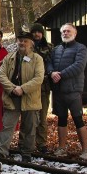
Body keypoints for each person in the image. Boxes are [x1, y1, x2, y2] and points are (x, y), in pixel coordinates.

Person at [0, 31, 44, 162]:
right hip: (11, 96)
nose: (22, 43)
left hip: (30, 98)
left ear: (31, 44)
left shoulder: (37, 59)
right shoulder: (9, 58)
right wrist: (12, 89)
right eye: (20, 40)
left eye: (25, 41)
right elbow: (1, 75)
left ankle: (26, 152)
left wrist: (22, 89)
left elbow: (39, 78)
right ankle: (2, 151)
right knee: (7, 125)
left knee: (29, 126)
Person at [47, 23, 87, 160]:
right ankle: (61, 148)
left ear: (75, 33)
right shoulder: (56, 49)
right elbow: (49, 62)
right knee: (61, 119)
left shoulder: (81, 48)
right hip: (58, 91)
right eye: (63, 31)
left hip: (73, 90)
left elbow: (79, 66)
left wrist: (60, 75)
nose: (65, 33)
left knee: (78, 119)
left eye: (68, 31)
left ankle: (85, 150)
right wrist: (51, 72)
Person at [30, 23, 54, 153]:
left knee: (42, 116)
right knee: (30, 116)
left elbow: (53, 64)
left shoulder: (49, 47)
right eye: (34, 32)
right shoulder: (27, 47)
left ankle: (42, 143)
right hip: (30, 87)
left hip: (44, 87)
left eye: (38, 32)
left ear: (42, 33)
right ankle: (29, 142)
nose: (36, 34)